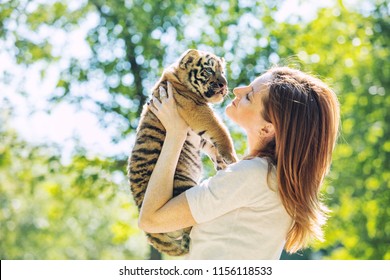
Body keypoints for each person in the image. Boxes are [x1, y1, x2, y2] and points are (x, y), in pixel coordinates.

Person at [138, 66, 340, 259]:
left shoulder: (251, 175)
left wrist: (176, 133)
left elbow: (151, 219)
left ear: (267, 129)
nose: (237, 90)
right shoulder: (272, 178)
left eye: (250, 95)